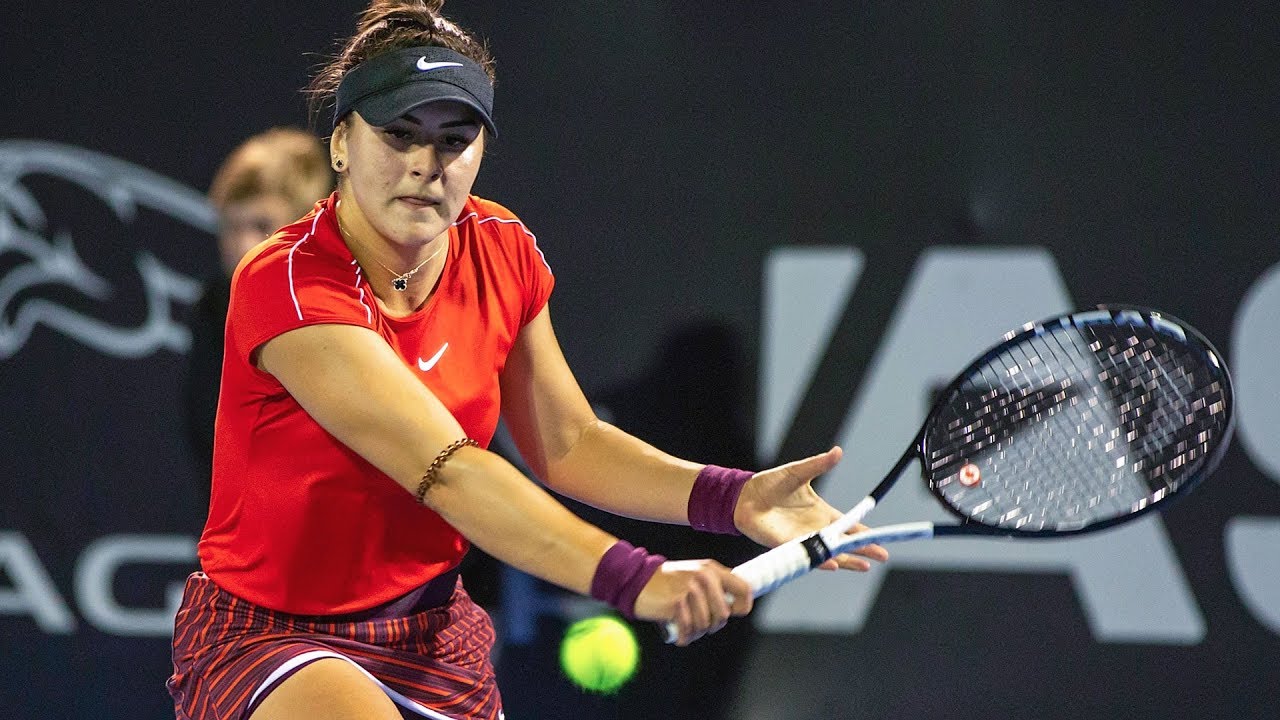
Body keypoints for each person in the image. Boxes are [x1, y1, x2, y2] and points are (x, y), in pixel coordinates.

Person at [167, 2, 888, 719]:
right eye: (398, 134)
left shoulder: (500, 247)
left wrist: (734, 499)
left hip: (431, 634)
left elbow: (569, 443)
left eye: (455, 139)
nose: (425, 165)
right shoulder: (285, 280)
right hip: (275, 634)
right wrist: (634, 578)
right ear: (341, 144)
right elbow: (448, 471)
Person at [183, 127, 333, 496]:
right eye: (231, 227)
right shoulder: (212, 308)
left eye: (262, 226)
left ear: (305, 226)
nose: (243, 246)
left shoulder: (346, 311)